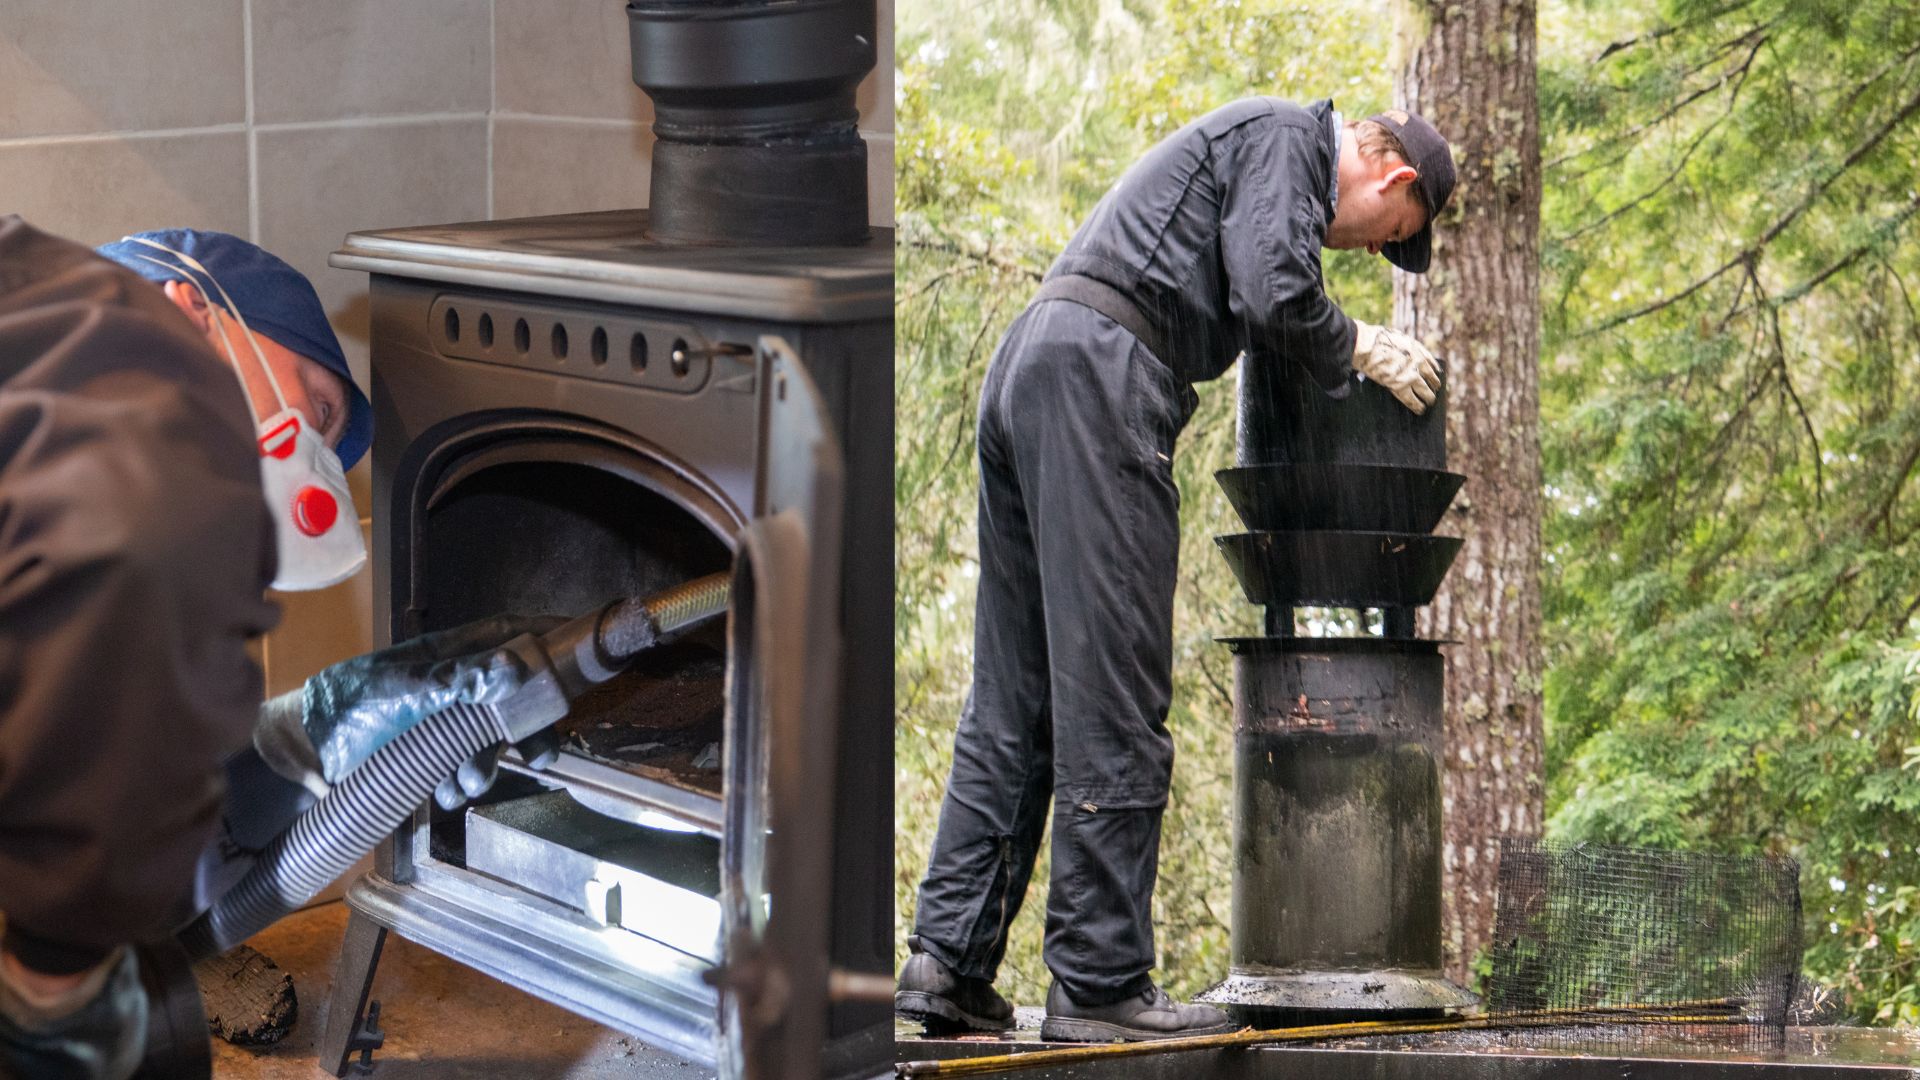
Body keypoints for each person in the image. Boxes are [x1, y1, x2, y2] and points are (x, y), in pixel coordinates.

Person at [897, 99, 1457, 1042]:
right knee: (1116, 695)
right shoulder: (1292, 137)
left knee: (1018, 698)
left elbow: (1259, 282)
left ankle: (945, 965)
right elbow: (1275, 290)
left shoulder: (1252, 156)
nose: (1365, 253)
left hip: (1036, 365)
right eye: (1384, 238)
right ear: (1391, 177)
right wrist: (1361, 344)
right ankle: (1100, 982)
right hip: (1101, 379)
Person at [0, 221, 538, 1079]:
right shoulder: (93, 357)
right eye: (317, 408)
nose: (312, 455)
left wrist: (321, 740)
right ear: (194, 307)